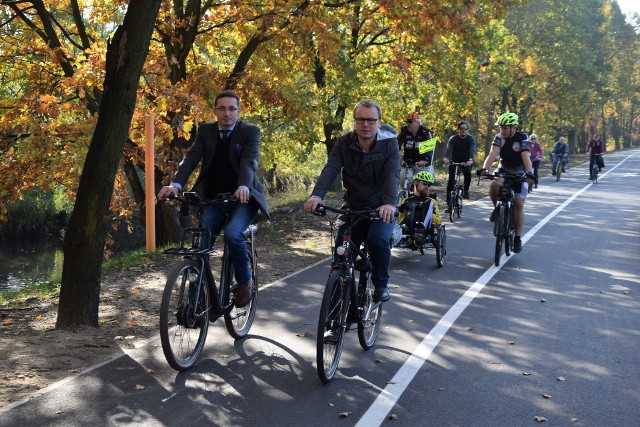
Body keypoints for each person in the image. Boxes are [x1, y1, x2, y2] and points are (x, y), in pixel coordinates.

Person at [157, 90, 269, 307]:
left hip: (242, 200)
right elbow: (191, 158)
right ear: (215, 110)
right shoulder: (206, 130)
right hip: (213, 199)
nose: (227, 113)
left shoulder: (250, 131)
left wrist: (244, 185)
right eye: (222, 108)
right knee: (200, 244)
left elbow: (249, 161)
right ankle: (194, 304)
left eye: (231, 109)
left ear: (238, 110)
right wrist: (175, 185)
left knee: (232, 234)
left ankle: (245, 282)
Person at [304, 99, 400, 302]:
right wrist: (316, 195)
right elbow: (331, 168)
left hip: (381, 209)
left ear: (379, 123)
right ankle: (334, 316)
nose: (366, 124)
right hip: (354, 208)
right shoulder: (344, 143)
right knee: (341, 258)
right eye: (361, 120)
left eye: (371, 120)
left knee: (378, 240)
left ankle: (381, 284)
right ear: (355, 122)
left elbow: (393, 174)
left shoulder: (389, 144)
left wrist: (389, 203)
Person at [478, 112, 535, 254]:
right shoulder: (499, 137)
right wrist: (485, 169)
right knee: (494, 184)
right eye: (500, 127)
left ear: (513, 127)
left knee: (518, 202)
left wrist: (529, 173)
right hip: (504, 168)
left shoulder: (522, 138)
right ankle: (497, 208)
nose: (501, 130)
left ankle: (517, 238)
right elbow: (492, 154)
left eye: (504, 128)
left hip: (520, 170)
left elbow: (525, 156)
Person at [398, 171, 442, 247]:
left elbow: (439, 221)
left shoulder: (431, 201)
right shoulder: (407, 200)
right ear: (416, 183)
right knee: (406, 217)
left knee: (429, 202)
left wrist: (430, 215)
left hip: (424, 230)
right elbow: (400, 219)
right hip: (408, 229)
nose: (427, 187)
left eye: (429, 185)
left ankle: (420, 230)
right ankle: (407, 238)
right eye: (425, 183)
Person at [443, 120, 476, 207]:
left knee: (468, 174)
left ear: (467, 130)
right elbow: (449, 149)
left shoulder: (471, 139)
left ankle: (466, 190)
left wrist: (470, 159)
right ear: (458, 130)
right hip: (454, 162)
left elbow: (472, 150)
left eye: (465, 129)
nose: (463, 130)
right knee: (450, 182)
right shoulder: (453, 139)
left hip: (466, 162)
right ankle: (448, 204)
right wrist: (446, 158)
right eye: (461, 129)